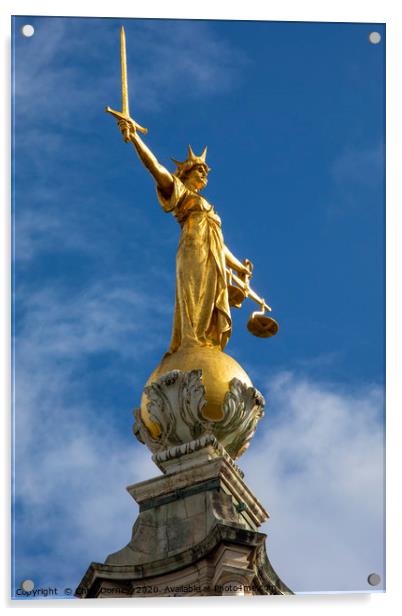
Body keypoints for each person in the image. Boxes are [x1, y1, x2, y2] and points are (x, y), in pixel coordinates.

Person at [118, 118, 252, 354]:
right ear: (187, 172)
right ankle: (192, 341)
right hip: (193, 249)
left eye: (206, 171)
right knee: (193, 296)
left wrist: (239, 266)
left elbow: (219, 244)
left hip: (212, 254)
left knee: (209, 298)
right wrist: (136, 139)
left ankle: (206, 341)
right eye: (200, 169)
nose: (205, 174)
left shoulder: (208, 207)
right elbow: (156, 168)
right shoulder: (181, 192)